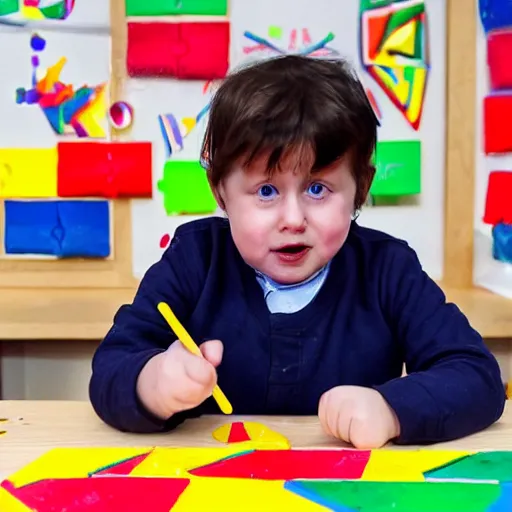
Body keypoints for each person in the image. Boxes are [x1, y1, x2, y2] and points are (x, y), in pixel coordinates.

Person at [89, 55, 505, 449]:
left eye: (317, 189)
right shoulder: (194, 258)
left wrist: (392, 410)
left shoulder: (387, 269)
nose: (293, 219)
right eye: (266, 191)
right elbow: (110, 369)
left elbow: (477, 376)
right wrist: (153, 384)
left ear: (360, 186)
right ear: (220, 191)